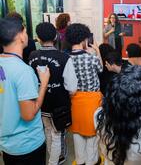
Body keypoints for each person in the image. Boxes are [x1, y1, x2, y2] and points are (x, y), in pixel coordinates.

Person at [0, 17, 50, 165]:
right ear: (20, 36)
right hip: (27, 145)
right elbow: (28, 115)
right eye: (26, 31)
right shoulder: (23, 71)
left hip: (7, 145)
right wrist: (44, 83)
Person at [28, 22, 78, 165]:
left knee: (48, 131)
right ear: (56, 36)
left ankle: (54, 157)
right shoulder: (64, 58)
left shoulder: (32, 56)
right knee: (57, 135)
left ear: (38, 38)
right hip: (59, 105)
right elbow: (72, 88)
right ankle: (54, 161)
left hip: (40, 103)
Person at [65, 23, 103, 165]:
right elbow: (100, 69)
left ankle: (80, 160)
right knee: (92, 135)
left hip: (75, 100)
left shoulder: (66, 58)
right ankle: (91, 161)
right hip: (92, 100)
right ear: (84, 40)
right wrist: (97, 51)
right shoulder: (91, 58)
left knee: (77, 133)